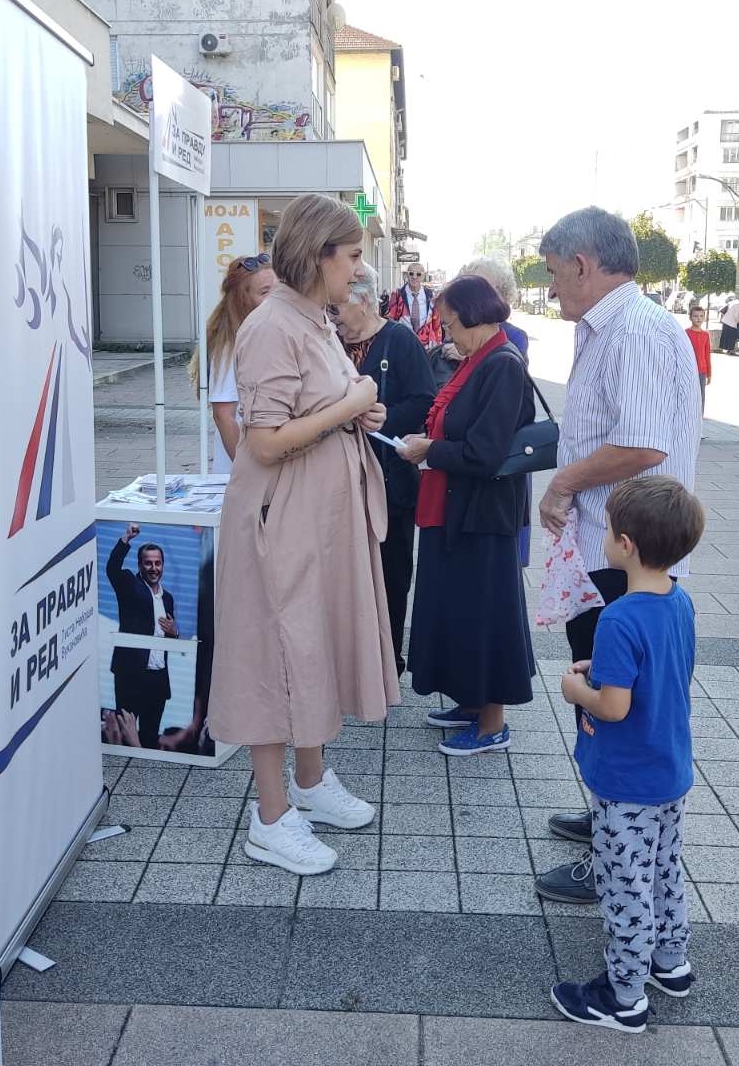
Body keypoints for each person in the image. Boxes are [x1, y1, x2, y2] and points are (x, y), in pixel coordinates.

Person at [209, 193, 398, 877]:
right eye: (351, 256)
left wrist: (356, 415)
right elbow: (262, 442)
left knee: (308, 645)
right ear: (320, 253)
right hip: (280, 521)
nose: (358, 269)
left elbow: (311, 411)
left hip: (312, 521)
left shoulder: (311, 319)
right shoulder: (272, 326)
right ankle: (270, 816)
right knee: (271, 656)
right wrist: (350, 403)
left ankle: (310, 785)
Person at [530, 205, 701, 905]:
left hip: (625, 556)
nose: (550, 289)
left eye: (551, 273)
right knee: (612, 699)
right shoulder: (618, 325)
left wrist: (564, 482)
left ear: (583, 264)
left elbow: (642, 444)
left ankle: (613, 859)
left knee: (613, 701)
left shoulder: (630, 330)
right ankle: (605, 813)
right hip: (617, 549)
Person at [550, 475, 706, 1033]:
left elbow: (612, 708)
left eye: (611, 530)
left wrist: (578, 692)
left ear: (626, 545)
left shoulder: (617, 617)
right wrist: (606, 671)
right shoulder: (678, 601)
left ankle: (624, 997)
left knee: (624, 886)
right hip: (670, 769)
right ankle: (672, 963)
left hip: (626, 781)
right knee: (666, 870)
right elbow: (657, 670)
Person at [397, 276, 538, 754]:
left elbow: (484, 452)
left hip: (481, 516)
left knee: (485, 614)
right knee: (456, 610)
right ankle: (470, 702)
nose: (445, 332)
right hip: (454, 508)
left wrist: (429, 449)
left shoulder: (501, 364)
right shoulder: (477, 360)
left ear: (475, 315)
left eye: (449, 322)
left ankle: (492, 721)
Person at [335, 262, 435, 674]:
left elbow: (424, 399)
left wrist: (385, 416)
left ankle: (387, 657)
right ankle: (348, 657)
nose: (332, 316)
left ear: (361, 299)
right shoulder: (331, 344)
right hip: (339, 480)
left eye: (337, 307)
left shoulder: (399, 339)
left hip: (391, 480)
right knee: (345, 573)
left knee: (392, 571)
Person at [459, 255, 535, 566]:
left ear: (501, 295)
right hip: (475, 453)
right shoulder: (464, 331)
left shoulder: (512, 337)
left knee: (503, 557)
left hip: (501, 453)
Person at [194, 253, 276, 475]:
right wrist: (249, 472)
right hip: (243, 478)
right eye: (265, 292)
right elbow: (223, 416)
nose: (275, 298)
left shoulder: (265, 335)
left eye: (278, 289)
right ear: (243, 299)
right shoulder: (231, 346)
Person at [105, 524, 179, 750]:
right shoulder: (129, 583)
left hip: (157, 680)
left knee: (149, 737)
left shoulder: (168, 598)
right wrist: (126, 538)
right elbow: (112, 569)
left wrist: (174, 632)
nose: (153, 568)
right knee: (125, 734)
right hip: (130, 675)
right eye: (148, 563)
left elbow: (168, 637)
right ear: (140, 565)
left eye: (157, 563)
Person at [387, 264, 442, 347]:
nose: (414, 277)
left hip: (426, 346)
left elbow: (436, 323)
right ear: (406, 275)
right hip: (403, 343)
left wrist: (438, 345)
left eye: (418, 274)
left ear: (423, 277)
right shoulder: (397, 295)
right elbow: (390, 321)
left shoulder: (431, 296)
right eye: (411, 273)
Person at [685, 304, 711, 412]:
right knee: (688, 393)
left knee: (701, 395)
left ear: (704, 318)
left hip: (701, 370)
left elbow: (707, 355)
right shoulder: (686, 333)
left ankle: (699, 416)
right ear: (690, 317)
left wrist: (709, 374)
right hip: (689, 369)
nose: (698, 318)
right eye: (696, 316)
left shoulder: (706, 335)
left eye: (701, 316)